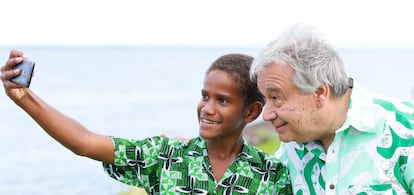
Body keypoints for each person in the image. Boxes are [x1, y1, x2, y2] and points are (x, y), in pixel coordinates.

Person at [1, 51, 292, 194]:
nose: (207, 108)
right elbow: (85, 143)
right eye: (205, 96)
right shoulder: (166, 155)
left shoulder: (272, 175)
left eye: (223, 100)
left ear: (252, 112)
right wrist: (23, 97)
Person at [250, 23, 414, 194]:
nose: (266, 114)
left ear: (319, 92)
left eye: (276, 98)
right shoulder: (290, 149)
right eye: (264, 99)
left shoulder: (405, 130)